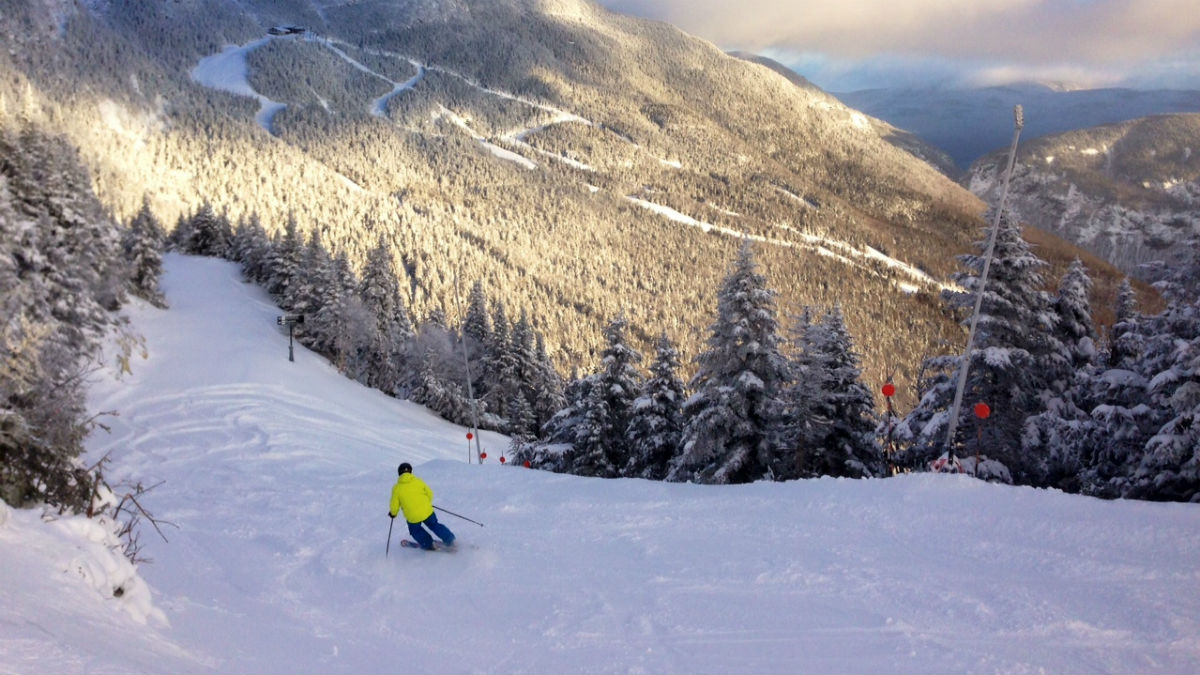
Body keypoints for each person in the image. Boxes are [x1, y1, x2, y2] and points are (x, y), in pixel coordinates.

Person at [388, 463, 455, 550]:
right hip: (427, 511)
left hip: (413, 516)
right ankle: (450, 540)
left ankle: (428, 544)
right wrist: (426, 503)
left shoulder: (397, 488)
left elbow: (394, 504)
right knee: (435, 525)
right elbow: (430, 493)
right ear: (411, 472)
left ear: (399, 473)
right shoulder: (418, 481)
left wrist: (393, 513)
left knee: (416, 531)